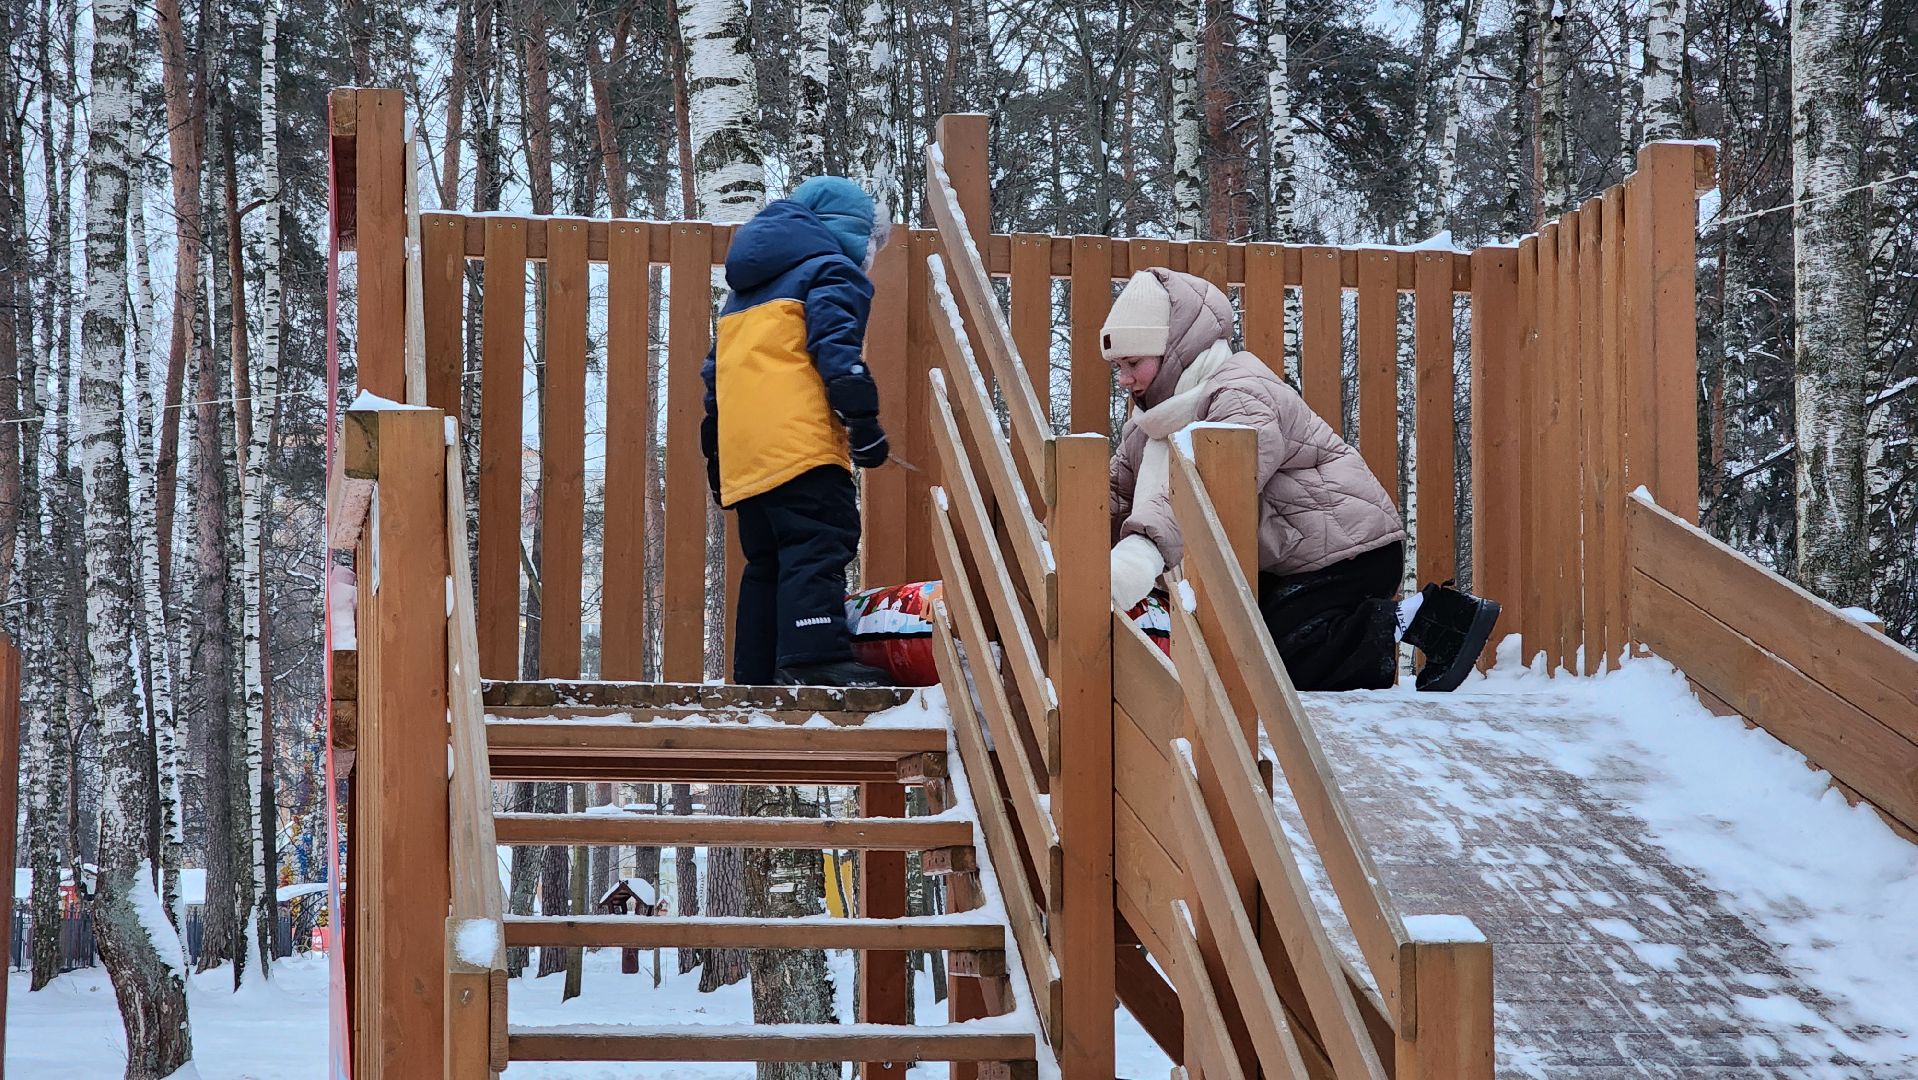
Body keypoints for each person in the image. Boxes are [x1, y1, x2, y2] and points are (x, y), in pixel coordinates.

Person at [1103, 267, 1498, 691]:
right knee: (1244, 652)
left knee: (1272, 662)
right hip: (1291, 560)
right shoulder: (1152, 426)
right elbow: (1114, 496)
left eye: (1134, 363)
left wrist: (1138, 556)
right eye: (1117, 366)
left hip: (1346, 552)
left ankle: (1432, 616)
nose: (1124, 379)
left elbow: (1205, 489)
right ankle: (1405, 627)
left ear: (1176, 349)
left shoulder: (1240, 393)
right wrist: (1070, 548)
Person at [701, 177, 895, 688]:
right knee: (819, 540)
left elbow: (715, 378)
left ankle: (757, 671)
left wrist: (717, 457)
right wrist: (863, 421)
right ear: (854, 234)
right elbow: (836, 348)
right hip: (800, 443)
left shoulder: (742, 295)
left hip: (745, 452)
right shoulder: (831, 271)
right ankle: (814, 656)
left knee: (766, 560)